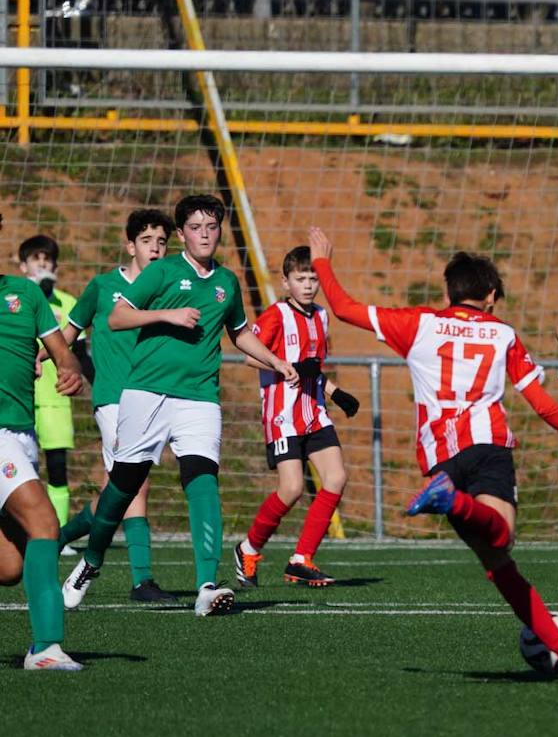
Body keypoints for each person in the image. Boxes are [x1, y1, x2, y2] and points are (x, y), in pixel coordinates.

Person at [307, 227, 558, 680]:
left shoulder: (418, 324)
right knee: (503, 543)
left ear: (449, 291)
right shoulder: (503, 334)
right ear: (491, 295)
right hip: (488, 445)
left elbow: (343, 308)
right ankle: (453, 503)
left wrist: (322, 260)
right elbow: (545, 405)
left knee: (498, 562)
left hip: (440, 459)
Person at [62, 195, 299, 617]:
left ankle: (207, 585)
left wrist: (276, 361)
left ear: (220, 230)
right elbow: (117, 318)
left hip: (200, 397)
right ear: (183, 234)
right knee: (123, 486)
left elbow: (240, 333)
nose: (204, 234)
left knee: (203, 480)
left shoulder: (226, 281)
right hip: (147, 393)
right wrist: (167, 315)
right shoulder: (163, 271)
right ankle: (92, 561)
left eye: (211, 227)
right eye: (195, 227)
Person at [57, 210, 177, 603]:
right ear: (130, 246)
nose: (156, 249)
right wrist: (35, 359)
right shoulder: (103, 286)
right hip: (112, 398)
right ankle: (142, 580)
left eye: (161, 242)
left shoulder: (167, 290)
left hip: (152, 398)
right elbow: (66, 336)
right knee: (137, 479)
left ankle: (52, 538)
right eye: (147, 242)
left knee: (118, 489)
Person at [233, 246, 360, 589]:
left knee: (335, 478)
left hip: (314, 411)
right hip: (283, 415)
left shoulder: (321, 316)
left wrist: (335, 393)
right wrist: (279, 365)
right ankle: (248, 548)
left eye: (312, 278)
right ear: (285, 282)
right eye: (300, 279)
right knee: (290, 489)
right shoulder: (276, 316)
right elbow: (247, 356)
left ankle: (301, 558)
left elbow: (312, 367)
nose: (307, 285)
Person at [0, 212, 84, 669]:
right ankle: (45, 648)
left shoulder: (26, 293)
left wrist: (69, 371)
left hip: (22, 434)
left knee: (9, 567)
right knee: (45, 524)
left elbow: (62, 353)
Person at [18, 235, 78, 529]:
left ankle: (59, 531)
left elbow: (79, 354)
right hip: (18, 396)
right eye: (36, 259)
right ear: (23, 266)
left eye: (48, 260)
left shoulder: (68, 304)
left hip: (55, 399)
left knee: (56, 467)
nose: (42, 264)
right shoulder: (13, 300)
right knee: (19, 468)